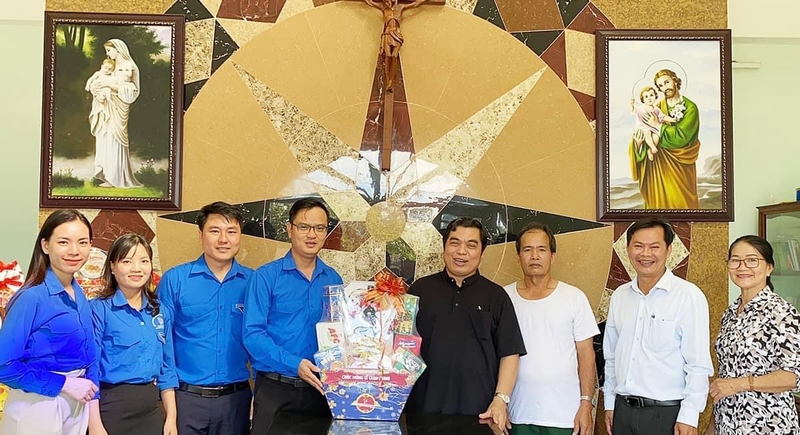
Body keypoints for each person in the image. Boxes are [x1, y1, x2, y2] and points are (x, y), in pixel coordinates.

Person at [407, 216, 526, 433]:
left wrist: (500, 400)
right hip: (423, 410)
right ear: (444, 247)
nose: (461, 251)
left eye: (471, 245)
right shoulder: (419, 290)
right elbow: (399, 347)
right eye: (455, 243)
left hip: (480, 413)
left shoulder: (496, 296)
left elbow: (510, 353)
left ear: (482, 252)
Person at [603, 217, 713, 435]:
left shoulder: (688, 296)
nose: (645, 254)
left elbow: (698, 364)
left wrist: (690, 415)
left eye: (654, 247)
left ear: (669, 250)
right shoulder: (620, 296)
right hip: (622, 411)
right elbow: (612, 356)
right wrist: (609, 403)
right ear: (627, 249)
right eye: (638, 246)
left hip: (666, 414)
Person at [244, 198, 343, 432]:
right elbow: (252, 335)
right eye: (304, 227)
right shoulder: (265, 277)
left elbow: (340, 334)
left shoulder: (334, 279)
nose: (312, 235)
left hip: (320, 392)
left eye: (320, 228)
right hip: (275, 391)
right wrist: (294, 363)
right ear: (290, 229)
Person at [157, 202, 253, 435]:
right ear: (201, 235)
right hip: (186, 400)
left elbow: (260, 339)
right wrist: (169, 407)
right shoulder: (175, 280)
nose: (224, 239)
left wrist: (260, 395)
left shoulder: (253, 282)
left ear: (240, 236)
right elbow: (162, 343)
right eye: (215, 231)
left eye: (231, 231)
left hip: (237, 401)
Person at [0, 209, 99, 435]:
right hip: (37, 404)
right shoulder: (31, 297)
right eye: (63, 242)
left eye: (82, 242)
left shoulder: (78, 293)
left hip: (75, 404)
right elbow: (3, 365)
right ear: (45, 245)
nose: (74, 251)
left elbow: (91, 352)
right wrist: (64, 384)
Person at [504, 222, 599, 435]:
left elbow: (586, 355)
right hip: (517, 413)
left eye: (541, 249)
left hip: (565, 416)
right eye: (527, 250)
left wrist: (586, 404)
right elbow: (494, 354)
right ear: (518, 257)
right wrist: (500, 402)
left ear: (552, 256)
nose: (534, 256)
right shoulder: (503, 298)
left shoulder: (574, 297)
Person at [704, 235, 800, 435]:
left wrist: (740, 384)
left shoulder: (781, 313)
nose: (742, 267)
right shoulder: (731, 313)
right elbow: (726, 375)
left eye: (752, 260)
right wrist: (712, 425)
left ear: (769, 268)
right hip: (727, 423)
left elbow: (793, 376)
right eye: (735, 260)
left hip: (768, 425)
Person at [87, 234, 178, 435]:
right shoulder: (99, 309)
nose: (137, 268)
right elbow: (90, 368)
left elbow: (167, 367)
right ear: (112, 266)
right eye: (127, 261)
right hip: (111, 409)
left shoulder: (159, 310)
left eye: (144, 261)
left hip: (151, 409)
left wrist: (171, 418)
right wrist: (94, 423)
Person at [629, 69, 700, 209]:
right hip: (657, 168)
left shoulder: (690, 108)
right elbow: (644, 129)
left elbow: (683, 137)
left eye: (667, 82)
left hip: (681, 168)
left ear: (675, 80)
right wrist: (638, 144)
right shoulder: (657, 107)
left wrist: (658, 125)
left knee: (682, 205)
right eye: (660, 85)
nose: (665, 87)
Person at [91, 39, 142, 189]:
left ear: (118, 49)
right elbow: (100, 80)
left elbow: (133, 91)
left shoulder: (130, 66)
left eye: (109, 50)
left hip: (118, 108)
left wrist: (108, 84)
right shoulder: (111, 66)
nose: (107, 54)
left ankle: (117, 177)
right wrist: (96, 89)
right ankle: (107, 175)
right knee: (105, 138)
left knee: (115, 140)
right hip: (105, 108)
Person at [629, 86, 676, 161]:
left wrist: (673, 119)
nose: (649, 98)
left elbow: (662, 117)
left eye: (651, 95)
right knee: (647, 132)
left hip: (653, 129)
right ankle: (652, 147)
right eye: (646, 96)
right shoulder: (641, 108)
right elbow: (633, 110)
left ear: (655, 96)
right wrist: (631, 105)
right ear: (643, 99)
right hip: (643, 129)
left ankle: (650, 151)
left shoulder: (656, 109)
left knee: (656, 137)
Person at [85, 58, 115, 137]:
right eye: (106, 68)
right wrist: (88, 85)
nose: (107, 70)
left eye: (110, 69)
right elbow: (91, 79)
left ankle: (105, 128)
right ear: (102, 66)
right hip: (98, 97)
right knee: (99, 114)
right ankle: (100, 128)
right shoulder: (98, 73)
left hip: (105, 98)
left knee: (106, 115)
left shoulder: (110, 76)